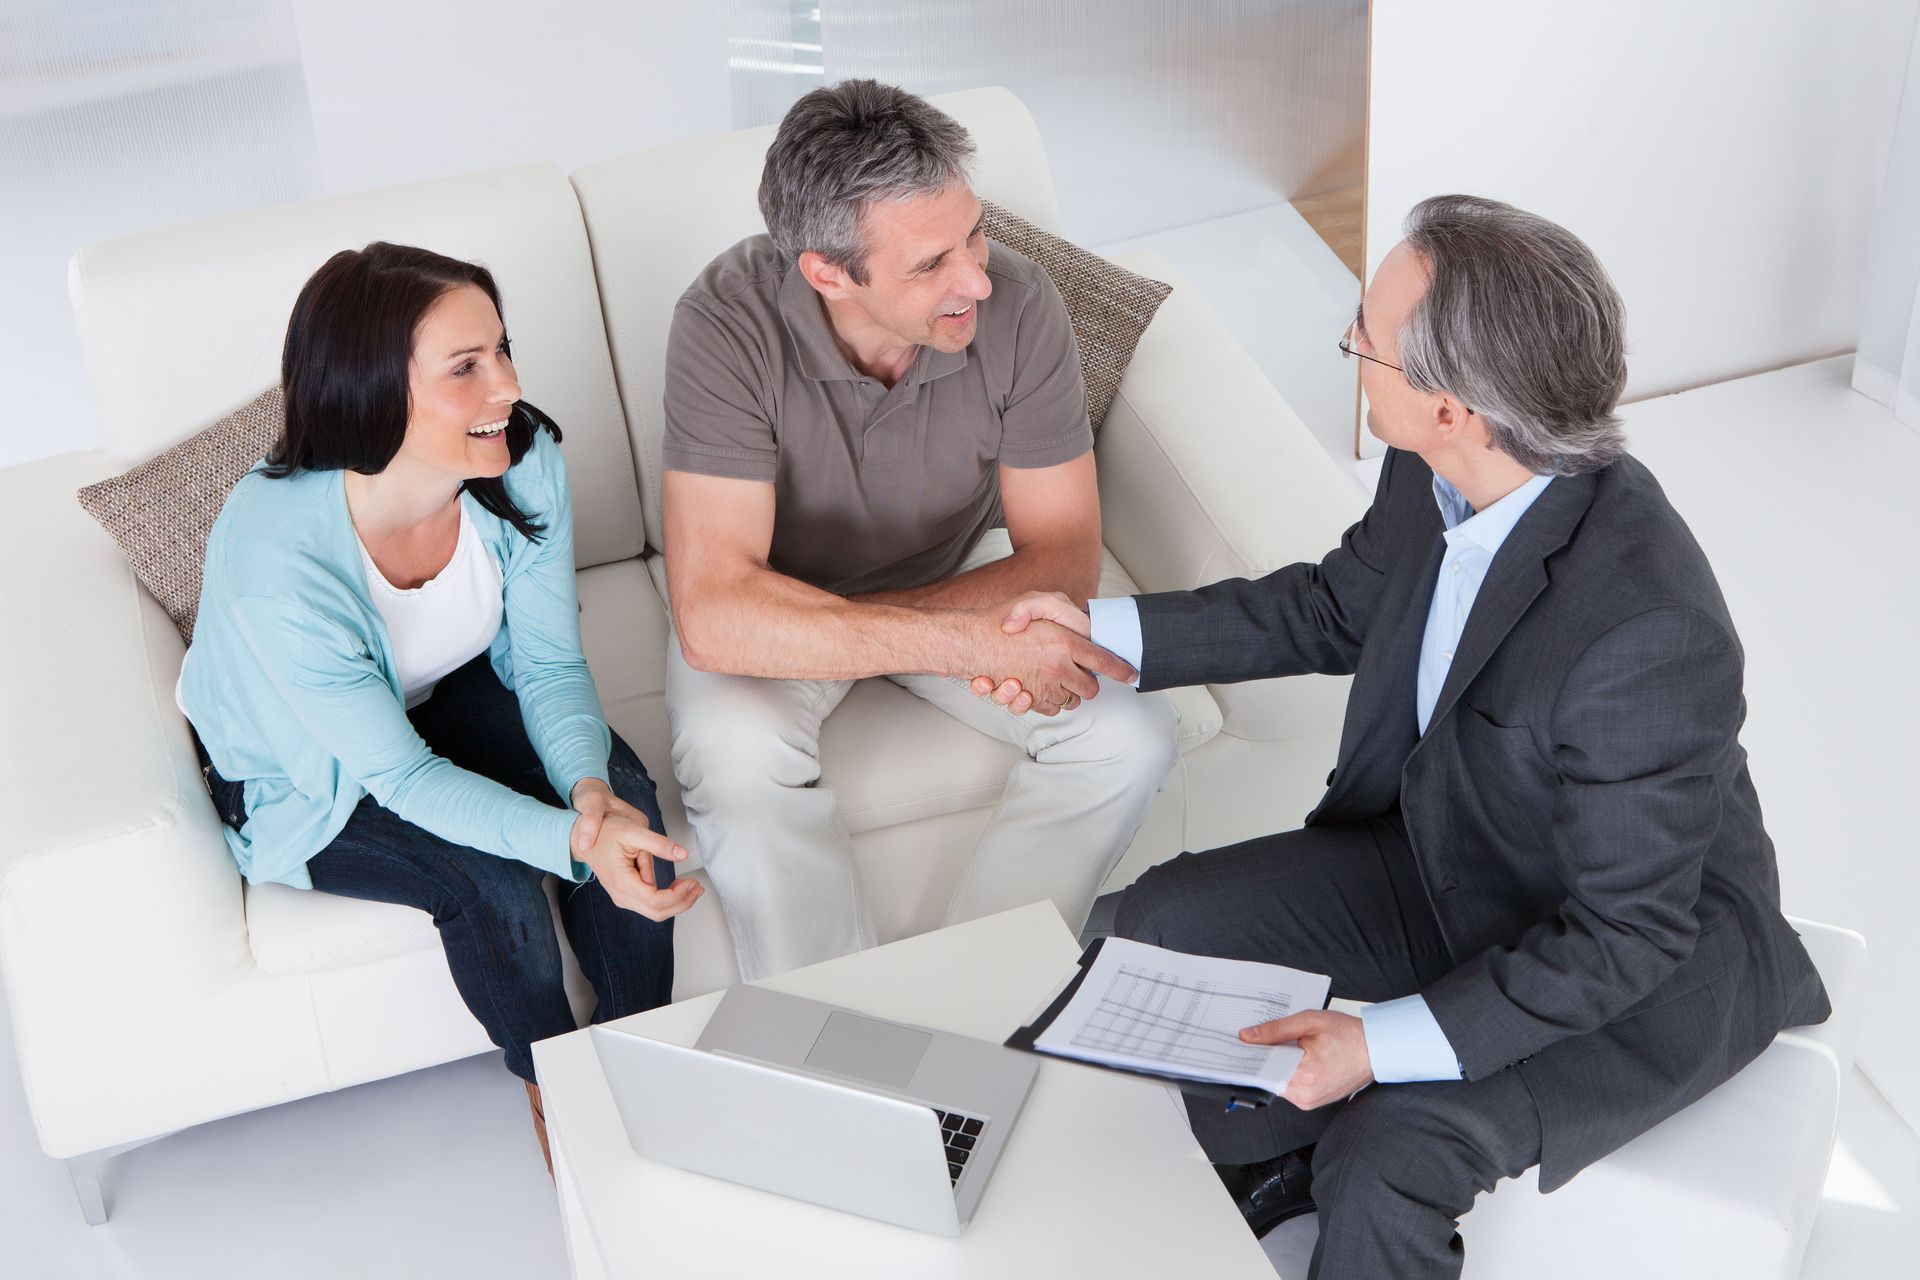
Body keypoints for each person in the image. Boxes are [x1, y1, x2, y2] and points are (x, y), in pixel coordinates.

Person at [1000, 195, 1831, 1278]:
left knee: (1390, 1147)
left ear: (1456, 407)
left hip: (1627, 961)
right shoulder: (1438, 468)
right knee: (1164, 916)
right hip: (1456, 856)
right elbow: (1338, 605)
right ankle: (1254, 1175)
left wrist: (1374, 1045)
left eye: (1368, 342)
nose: (1350, 348)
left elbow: (1626, 938)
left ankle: (1329, 1184)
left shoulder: (1649, 633)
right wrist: (1104, 633)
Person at [178, 242, 702, 1171]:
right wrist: (571, 844)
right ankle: (556, 1079)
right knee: (491, 881)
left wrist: (586, 797)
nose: (506, 386)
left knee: (626, 799)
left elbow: (545, 663)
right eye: (466, 368)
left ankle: (636, 1053)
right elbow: (398, 774)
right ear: (374, 388)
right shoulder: (276, 557)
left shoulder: (520, 458)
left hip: (437, 688)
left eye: (501, 351)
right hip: (307, 767)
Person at [660, 79, 1177, 982]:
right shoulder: (723, 324)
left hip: (957, 567)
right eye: (930, 263)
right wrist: (938, 639)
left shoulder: (1019, 303)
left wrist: (901, 632)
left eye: (974, 233)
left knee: (1131, 733)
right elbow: (716, 616)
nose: (976, 276)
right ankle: (837, 1023)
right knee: (735, 768)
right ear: (827, 272)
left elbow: (1060, 556)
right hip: (786, 592)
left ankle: (977, 993)